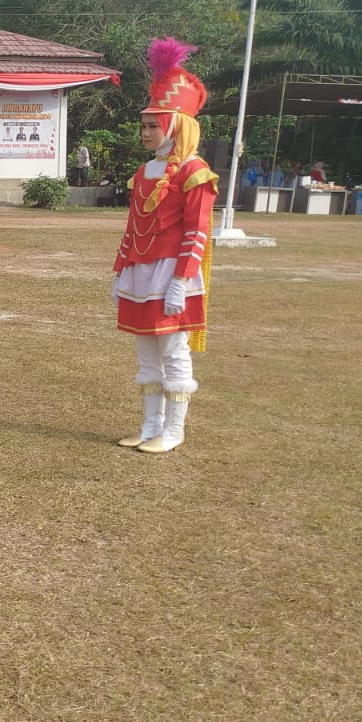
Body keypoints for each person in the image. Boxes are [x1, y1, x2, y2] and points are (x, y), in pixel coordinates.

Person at [113, 38, 218, 455]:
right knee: (145, 354)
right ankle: (149, 425)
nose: (145, 132)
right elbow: (132, 226)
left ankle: (174, 430)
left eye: (152, 125)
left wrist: (182, 280)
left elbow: (197, 233)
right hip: (140, 273)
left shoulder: (195, 172)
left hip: (173, 274)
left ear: (176, 125)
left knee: (174, 353)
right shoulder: (144, 171)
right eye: (143, 125)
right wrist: (120, 269)